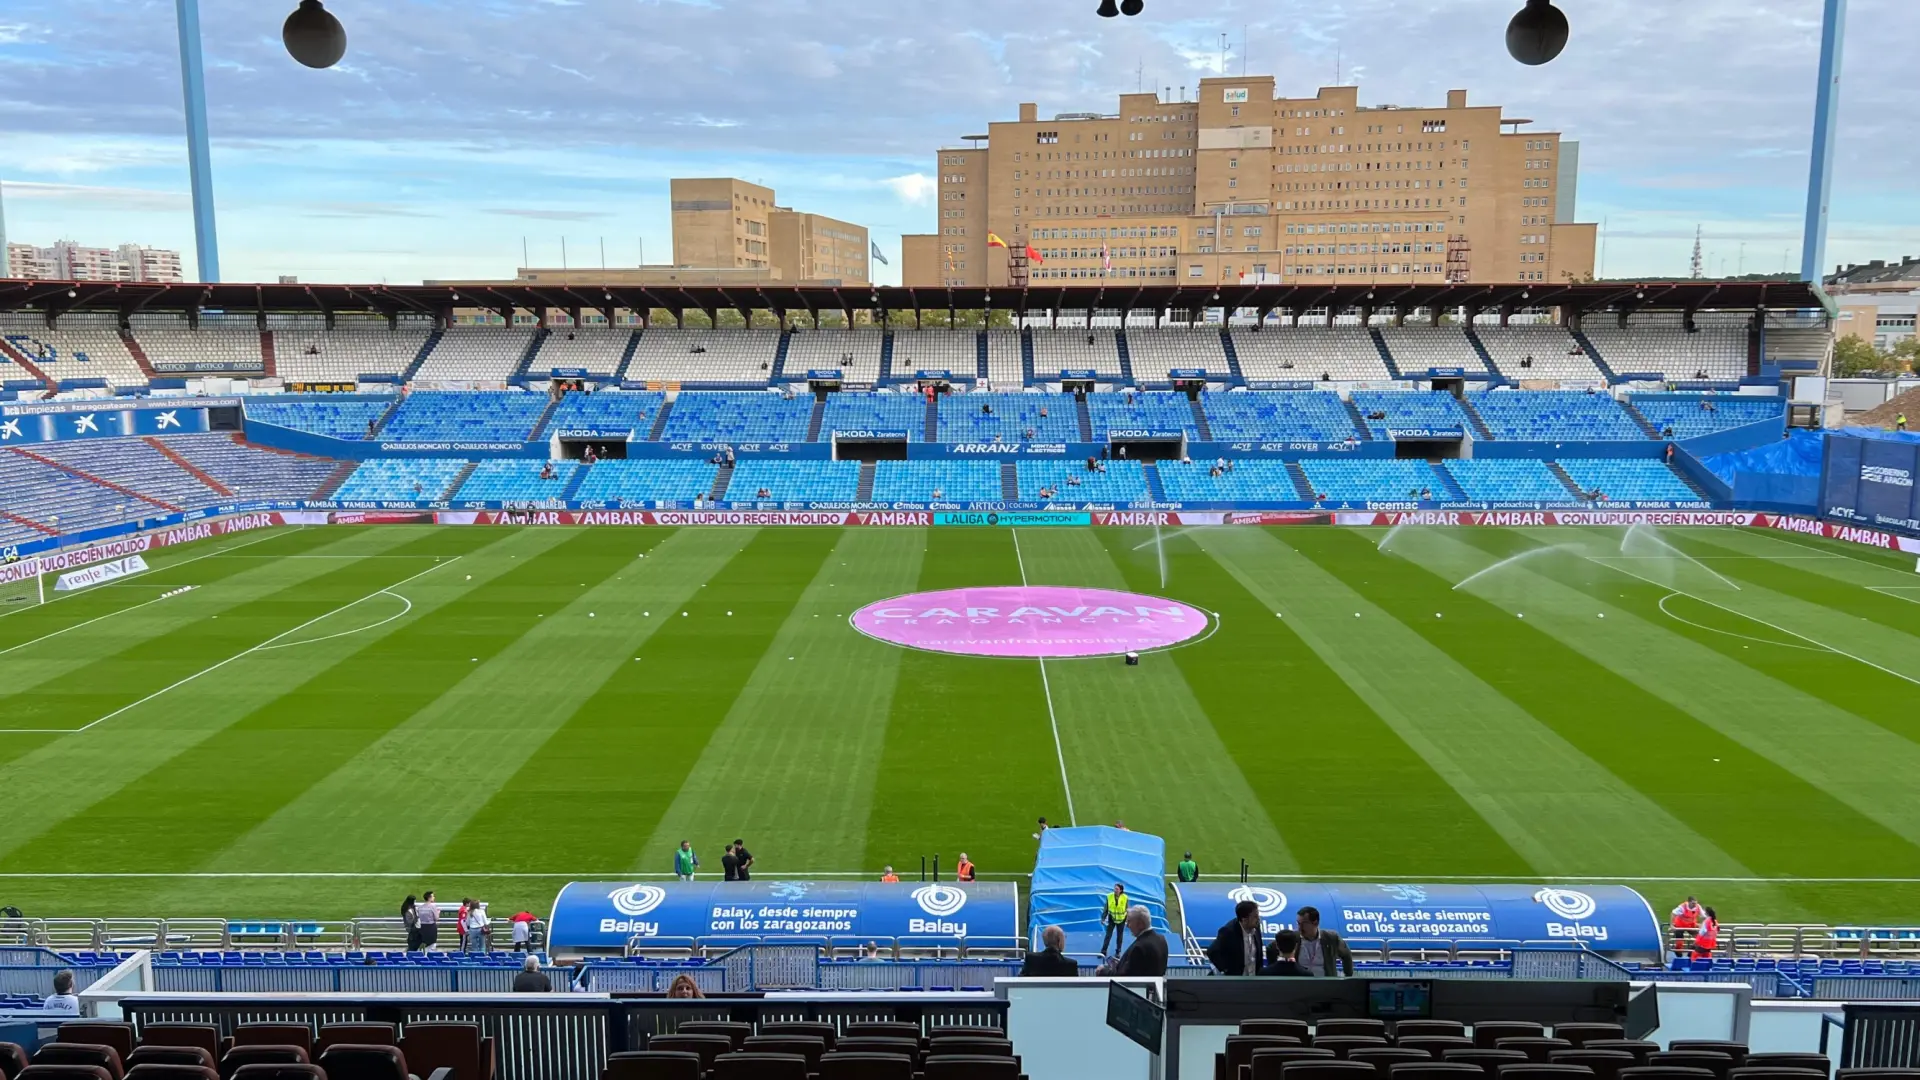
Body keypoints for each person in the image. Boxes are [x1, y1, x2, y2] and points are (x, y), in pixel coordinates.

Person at [1207, 899, 1265, 977]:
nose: (1258, 919)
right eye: (1255, 916)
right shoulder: (1228, 932)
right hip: (1236, 981)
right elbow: (1212, 951)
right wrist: (1226, 970)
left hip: (1253, 979)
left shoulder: (1256, 927)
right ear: (1244, 919)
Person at [1104, 907, 1168, 976]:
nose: (1127, 926)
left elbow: (1124, 976)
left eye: (1129, 921)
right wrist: (1122, 964)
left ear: (1140, 924)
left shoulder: (1139, 948)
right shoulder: (1162, 940)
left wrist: (1103, 972)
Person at [1294, 905, 1354, 977]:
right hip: (1300, 985)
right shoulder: (1294, 938)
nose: (1300, 928)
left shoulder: (1331, 938)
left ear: (1315, 923)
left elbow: (1347, 955)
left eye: (1304, 923)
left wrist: (1348, 975)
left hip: (1326, 985)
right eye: (1298, 923)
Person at [1100, 883, 1130, 956]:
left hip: (1121, 919)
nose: (1115, 890)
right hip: (1112, 918)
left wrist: (1128, 919)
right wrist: (1103, 918)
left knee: (1119, 936)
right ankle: (1103, 951)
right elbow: (1106, 908)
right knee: (1108, 935)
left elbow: (1127, 909)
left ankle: (1118, 951)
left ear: (1121, 890)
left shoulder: (1125, 897)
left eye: (1117, 889)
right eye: (1114, 888)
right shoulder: (1109, 896)